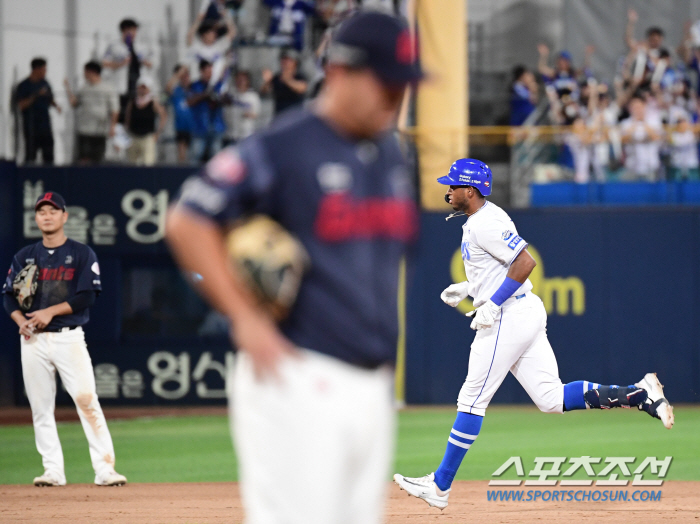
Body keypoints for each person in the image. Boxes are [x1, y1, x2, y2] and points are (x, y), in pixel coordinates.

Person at [165, 11, 422, 523]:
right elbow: (188, 220)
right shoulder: (285, 146)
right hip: (298, 373)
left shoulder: (393, 155)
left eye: (404, 86)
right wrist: (245, 315)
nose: (397, 98)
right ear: (341, 72)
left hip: (372, 384)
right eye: (387, 84)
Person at [393, 159, 674, 510]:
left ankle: (440, 485)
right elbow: (502, 265)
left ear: (471, 190)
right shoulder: (481, 220)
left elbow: (525, 262)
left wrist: (491, 303)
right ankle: (638, 394)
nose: (447, 190)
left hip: (509, 316)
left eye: (453, 185)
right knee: (551, 398)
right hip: (522, 310)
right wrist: (470, 288)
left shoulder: (485, 223)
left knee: (471, 400)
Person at [2, 192, 127, 487]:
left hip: (68, 337)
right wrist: (21, 321)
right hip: (33, 339)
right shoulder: (24, 256)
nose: (46, 215)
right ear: (36, 218)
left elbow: (87, 296)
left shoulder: (82, 254)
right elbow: (8, 296)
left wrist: (49, 311)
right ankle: (53, 471)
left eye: (52, 210)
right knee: (40, 407)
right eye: (41, 211)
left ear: (64, 216)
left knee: (86, 399)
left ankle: (105, 469)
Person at [64, 61, 120, 164]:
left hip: (99, 130)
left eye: (85, 71)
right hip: (84, 130)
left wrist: (112, 126)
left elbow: (114, 109)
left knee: (97, 159)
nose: (84, 74)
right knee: (83, 159)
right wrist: (67, 88)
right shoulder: (84, 88)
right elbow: (74, 103)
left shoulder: (107, 88)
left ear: (92, 72)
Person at [102, 18, 154, 120]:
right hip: (121, 89)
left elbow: (151, 64)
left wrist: (143, 61)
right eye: (131, 30)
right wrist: (121, 63)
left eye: (135, 30)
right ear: (124, 30)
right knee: (121, 115)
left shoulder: (141, 47)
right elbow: (105, 63)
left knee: (136, 118)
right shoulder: (114, 46)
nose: (133, 33)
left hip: (138, 90)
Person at [16, 58, 61, 165]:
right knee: (31, 155)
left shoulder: (45, 83)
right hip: (31, 126)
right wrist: (36, 95)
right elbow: (21, 105)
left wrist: (56, 105)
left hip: (45, 125)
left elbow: (50, 98)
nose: (45, 72)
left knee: (48, 155)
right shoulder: (24, 85)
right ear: (36, 69)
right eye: (43, 69)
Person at [187, 60, 226, 162]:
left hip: (216, 125)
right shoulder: (195, 85)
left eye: (211, 72)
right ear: (201, 71)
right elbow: (189, 102)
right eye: (208, 72)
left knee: (216, 158)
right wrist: (205, 94)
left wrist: (216, 97)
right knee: (195, 155)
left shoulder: (218, 86)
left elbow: (225, 100)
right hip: (200, 126)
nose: (210, 74)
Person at [186, 8, 236, 85]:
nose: (214, 35)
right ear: (204, 35)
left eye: (214, 33)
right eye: (211, 33)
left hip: (216, 86)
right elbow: (189, 36)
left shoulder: (219, 46)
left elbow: (232, 33)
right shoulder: (197, 47)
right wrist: (198, 20)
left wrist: (226, 17)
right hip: (198, 87)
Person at [124, 76, 167, 166]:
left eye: (144, 87)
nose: (142, 90)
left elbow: (163, 115)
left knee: (148, 163)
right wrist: (127, 131)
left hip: (147, 137)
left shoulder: (153, 101)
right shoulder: (132, 101)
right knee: (131, 163)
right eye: (140, 87)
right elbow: (128, 116)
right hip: (133, 136)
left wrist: (158, 133)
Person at [619, 95, 662, 181]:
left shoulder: (654, 121)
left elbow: (656, 137)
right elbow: (623, 140)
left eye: (639, 107)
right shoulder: (626, 123)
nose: (637, 110)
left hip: (651, 165)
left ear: (644, 106)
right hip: (632, 165)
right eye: (634, 107)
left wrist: (644, 122)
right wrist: (635, 123)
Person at [260, 48, 308, 116]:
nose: (285, 62)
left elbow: (302, 88)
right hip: (280, 115)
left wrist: (287, 80)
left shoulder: (299, 76)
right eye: (283, 60)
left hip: (295, 116)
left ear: (295, 63)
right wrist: (267, 81)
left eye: (288, 60)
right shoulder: (276, 77)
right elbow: (264, 91)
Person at [166, 64, 195, 164]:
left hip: (195, 127)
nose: (185, 78)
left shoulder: (194, 88)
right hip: (181, 126)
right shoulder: (177, 90)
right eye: (183, 76)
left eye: (187, 75)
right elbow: (168, 87)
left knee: (194, 155)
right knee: (181, 155)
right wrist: (179, 73)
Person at [223, 70, 261, 145]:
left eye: (243, 80)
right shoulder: (230, 94)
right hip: (230, 134)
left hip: (245, 135)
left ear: (248, 81)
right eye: (238, 79)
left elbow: (256, 114)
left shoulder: (253, 96)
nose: (240, 82)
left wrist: (248, 114)